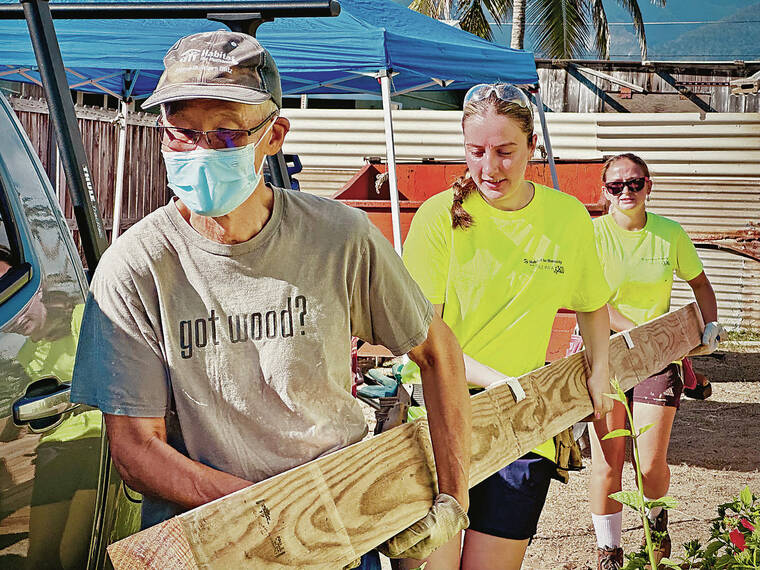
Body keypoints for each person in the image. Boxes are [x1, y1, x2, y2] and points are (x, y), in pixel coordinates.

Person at [70, 30, 472, 569]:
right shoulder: (136, 267)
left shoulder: (339, 238)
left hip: (344, 534)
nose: (200, 151)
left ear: (274, 135)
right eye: (182, 134)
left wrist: (453, 499)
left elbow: (437, 353)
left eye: (225, 135)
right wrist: (271, 515)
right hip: (212, 545)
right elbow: (137, 450)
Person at [400, 83, 614, 570]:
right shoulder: (438, 218)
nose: (489, 168)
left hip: (522, 428)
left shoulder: (567, 217)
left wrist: (599, 370)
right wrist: (495, 380)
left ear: (532, 148)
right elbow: (421, 335)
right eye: (476, 152)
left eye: (504, 152)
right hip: (436, 418)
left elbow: (593, 305)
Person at [589, 153, 722, 570]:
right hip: (604, 355)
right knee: (608, 463)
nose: (626, 191)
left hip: (657, 357)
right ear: (604, 191)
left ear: (649, 185)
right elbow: (590, 299)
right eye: (616, 185)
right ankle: (609, 550)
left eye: (634, 183)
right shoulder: (591, 235)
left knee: (648, 463)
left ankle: (655, 519)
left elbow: (700, 282)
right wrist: (634, 332)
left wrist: (711, 324)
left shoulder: (669, 234)